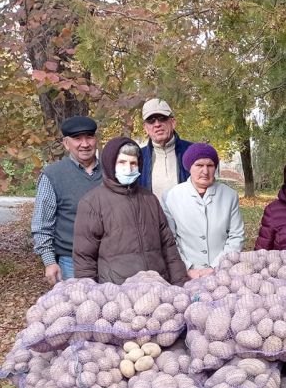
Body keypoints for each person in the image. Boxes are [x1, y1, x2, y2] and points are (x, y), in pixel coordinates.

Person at [72, 137, 189, 286]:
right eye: (122, 162)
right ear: (110, 164)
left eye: (133, 163)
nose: (128, 168)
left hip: (158, 287)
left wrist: (180, 284)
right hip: (117, 292)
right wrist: (89, 293)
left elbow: (168, 247)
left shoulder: (149, 199)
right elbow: (84, 257)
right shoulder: (92, 202)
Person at [31, 115, 103, 284]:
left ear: (96, 140)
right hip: (71, 262)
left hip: (110, 260)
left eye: (89, 137)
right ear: (66, 143)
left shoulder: (112, 172)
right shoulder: (53, 175)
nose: (85, 144)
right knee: (79, 309)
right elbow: (41, 225)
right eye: (77, 138)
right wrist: (49, 262)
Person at [161, 143, 244, 278]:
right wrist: (186, 268)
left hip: (223, 272)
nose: (205, 171)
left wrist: (216, 266)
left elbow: (236, 237)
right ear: (189, 167)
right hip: (185, 273)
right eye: (199, 165)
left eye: (210, 165)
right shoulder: (171, 196)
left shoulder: (229, 196)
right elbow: (170, 240)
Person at [138, 98, 194, 200]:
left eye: (162, 118)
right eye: (151, 120)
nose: (157, 124)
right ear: (145, 128)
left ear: (173, 122)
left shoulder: (193, 152)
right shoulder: (138, 157)